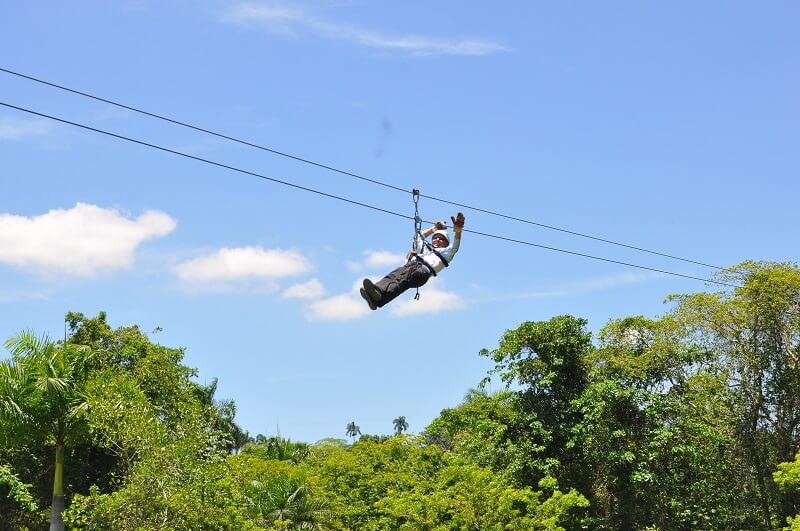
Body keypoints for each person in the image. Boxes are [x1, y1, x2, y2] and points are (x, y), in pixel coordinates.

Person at [360, 212, 465, 310]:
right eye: (435, 238)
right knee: (393, 275)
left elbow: (455, 247)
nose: (437, 240)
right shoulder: (424, 248)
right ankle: (377, 295)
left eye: (441, 239)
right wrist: (434, 228)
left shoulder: (445, 253)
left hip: (422, 271)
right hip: (411, 266)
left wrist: (458, 230)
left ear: (446, 243)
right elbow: (418, 237)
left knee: (400, 281)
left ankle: (378, 296)